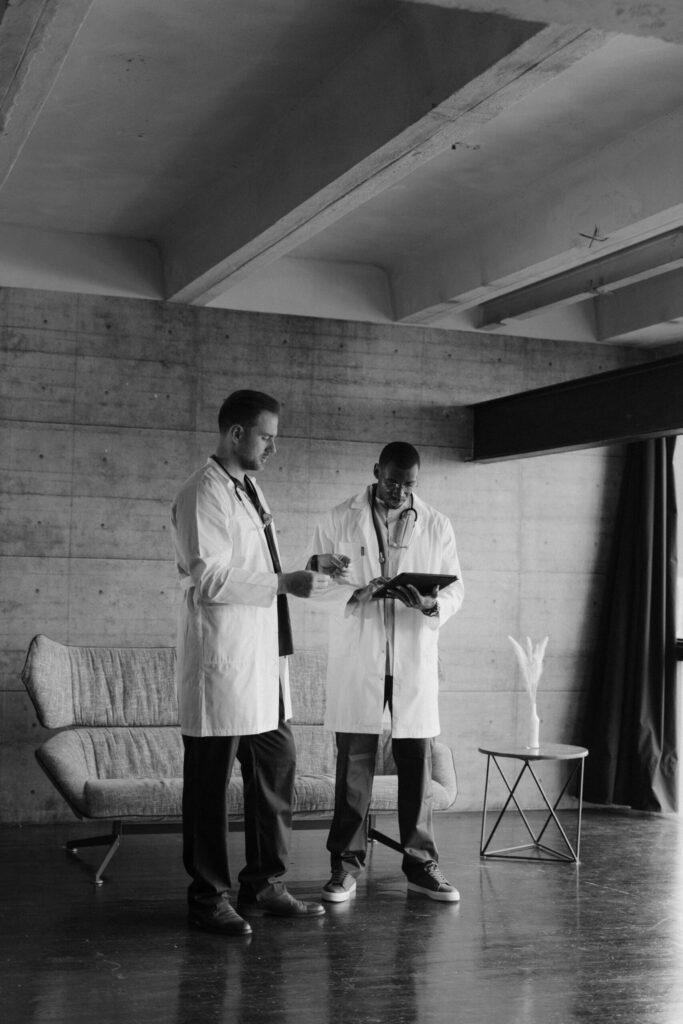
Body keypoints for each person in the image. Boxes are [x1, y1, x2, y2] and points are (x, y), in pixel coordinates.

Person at [171, 389, 329, 936]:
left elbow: (255, 565)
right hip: (223, 663)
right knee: (210, 787)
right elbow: (211, 578)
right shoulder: (203, 492)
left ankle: (263, 884)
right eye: (266, 437)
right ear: (236, 433)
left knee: (276, 766)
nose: (273, 448)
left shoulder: (250, 489)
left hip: (262, 662)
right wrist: (285, 582)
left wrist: (308, 567)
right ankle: (207, 897)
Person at [309, 442, 464, 903]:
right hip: (362, 654)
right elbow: (313, 580)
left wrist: (430, 603)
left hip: (412, 655)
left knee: (416, 760)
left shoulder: (437, 524)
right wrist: (356, 592)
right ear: (377, 471)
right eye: (392, 481)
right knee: (354, 764)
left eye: (408, 484)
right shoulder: (338, 519)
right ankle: (345, 867)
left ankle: (421, 865)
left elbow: (456, 591)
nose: (399, 491)